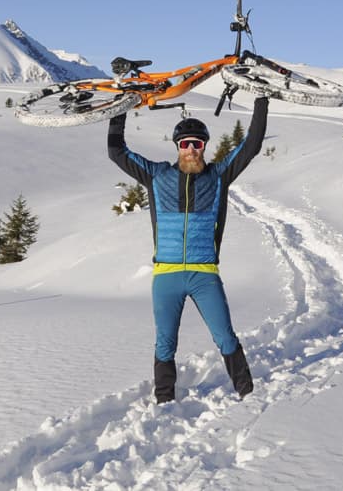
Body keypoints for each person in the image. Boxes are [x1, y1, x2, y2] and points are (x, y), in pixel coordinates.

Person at [107, 96, 268, 403]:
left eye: (197, 144)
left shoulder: (219, 176)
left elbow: (252, 145)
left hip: (204, 275)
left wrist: (261, 99)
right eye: (184, 144)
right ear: (177, 147)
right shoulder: (157, 176)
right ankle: (164, 402)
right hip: (166, 276)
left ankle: (248, 395)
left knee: (225, 337)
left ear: (204, 146)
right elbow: (116, 152)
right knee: (165, 343)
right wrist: (121, 106)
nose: (191, 149)